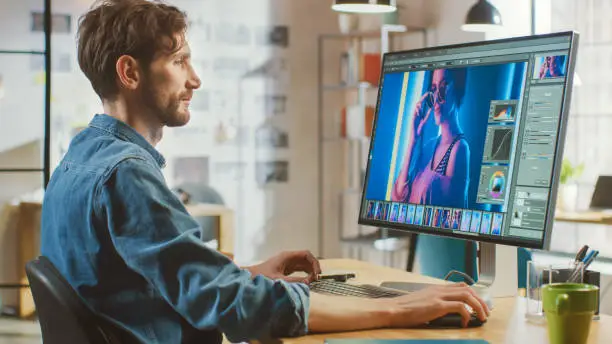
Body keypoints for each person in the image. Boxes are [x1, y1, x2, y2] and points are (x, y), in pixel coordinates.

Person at [40, 1, 490, 343]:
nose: (194, 79)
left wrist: (252, 273)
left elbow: (140, 282)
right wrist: (400, 310)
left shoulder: (80, 157)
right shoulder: (127, 175)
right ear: (129, 72)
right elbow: (237, 308)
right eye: (179, 61)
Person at [391, 68, 470, 207]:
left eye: (444, 85)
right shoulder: (429, 146)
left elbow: (451, 219)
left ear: (457, 87)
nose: (437, 97)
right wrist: (412, 141)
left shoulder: (460, 149)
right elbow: (398, 200)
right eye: (434, 88)